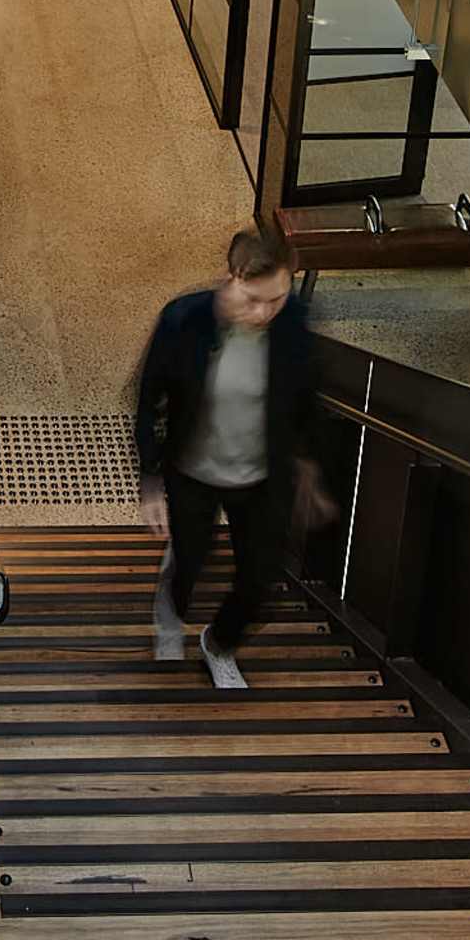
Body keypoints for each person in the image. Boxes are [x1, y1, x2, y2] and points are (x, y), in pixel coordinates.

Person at [130, 228, 323, 691]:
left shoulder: (292, 322)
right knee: (191, 558)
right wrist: (151, 478)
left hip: (260, 475)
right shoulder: (185, 321)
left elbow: (304, 397)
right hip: (193, 472)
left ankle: (219, 644)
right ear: (233, 277)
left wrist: (308, 465)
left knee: (261, 579)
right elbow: (151, 400)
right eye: (255, 299)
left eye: (276, 299)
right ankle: (171, 614)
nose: (265, 313)